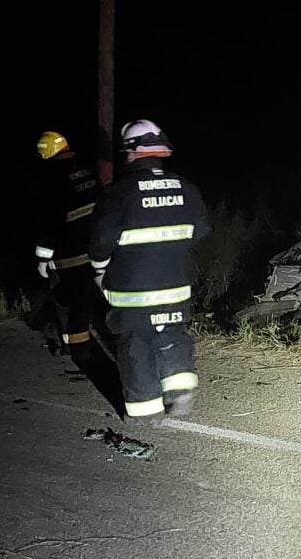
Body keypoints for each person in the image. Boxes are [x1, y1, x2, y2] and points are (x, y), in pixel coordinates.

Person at [88, 119, 211, 426]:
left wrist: (100, 271)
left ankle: (145, 413)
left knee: (136, 344)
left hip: (133, 291)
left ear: (130, 152)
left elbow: (100, 242)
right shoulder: (187, 188)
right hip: (176, 287)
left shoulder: (119, 194)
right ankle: (180, 388)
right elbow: (201, 232)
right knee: (172, 335)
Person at [32, 131, 120, 404]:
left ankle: (80, 352)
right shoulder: (87, 173)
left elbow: (51, 219)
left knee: (74, 306)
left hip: (70, 257)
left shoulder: (52, 179)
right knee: (102, 302)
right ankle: (120, 344)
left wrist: (43, 257)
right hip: (97, 253)